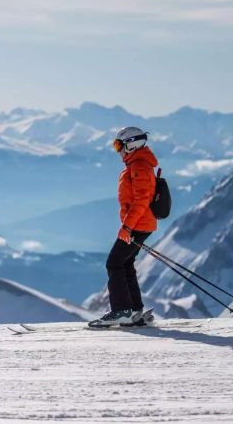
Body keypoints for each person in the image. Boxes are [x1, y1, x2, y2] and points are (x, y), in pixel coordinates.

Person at [89, 126, 158, 327]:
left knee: (114, 263)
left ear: (131, 144)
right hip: (141, 223)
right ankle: (134, 310)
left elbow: (142, 200)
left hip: (138, 224)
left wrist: (127, 227)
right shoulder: (137, 164)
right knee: (125, 263)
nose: (117, 149)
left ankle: (122, 311)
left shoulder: (139, 166)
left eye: (119, 145)